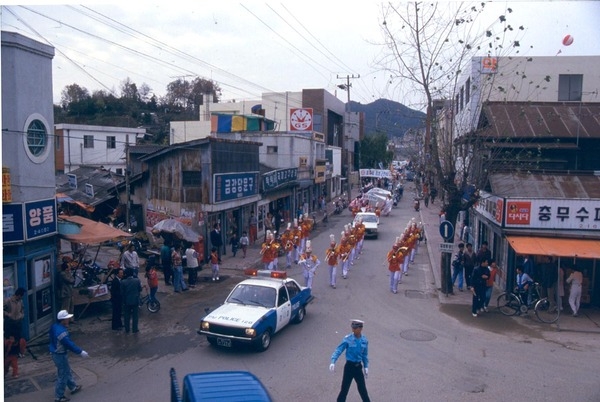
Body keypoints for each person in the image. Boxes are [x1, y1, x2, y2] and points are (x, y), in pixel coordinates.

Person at [49, 310, 89, 402]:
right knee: (63, 374)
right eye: (67, 318)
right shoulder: (62, 332)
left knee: (66, 371)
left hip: (55, 352)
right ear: (63, 320)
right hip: (60, 355)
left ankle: (73, 387)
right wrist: (80, 352)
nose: (69, 319)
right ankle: (59, 396)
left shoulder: (54, 326)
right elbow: (69, 345)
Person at [329, 319, 371, 402]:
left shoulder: (364, 340)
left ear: (360, 328)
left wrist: (366, 366)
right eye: (352, 328)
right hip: (349, 367)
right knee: (344, 388)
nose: (353, 330)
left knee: (362, 389)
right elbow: (339, 350)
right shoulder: (348, 339)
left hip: (358, 367)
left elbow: (364, 355)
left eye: (355, 328)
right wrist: (333, 361)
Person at [121, 268, 142, 333]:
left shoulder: (123, 282)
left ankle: (127, 329)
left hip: (126, 301)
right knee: (135, 316)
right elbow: (140, 289)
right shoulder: (137, 281)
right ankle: (135, 329)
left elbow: (121, 293)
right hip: (135, 300)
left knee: (126, 315)